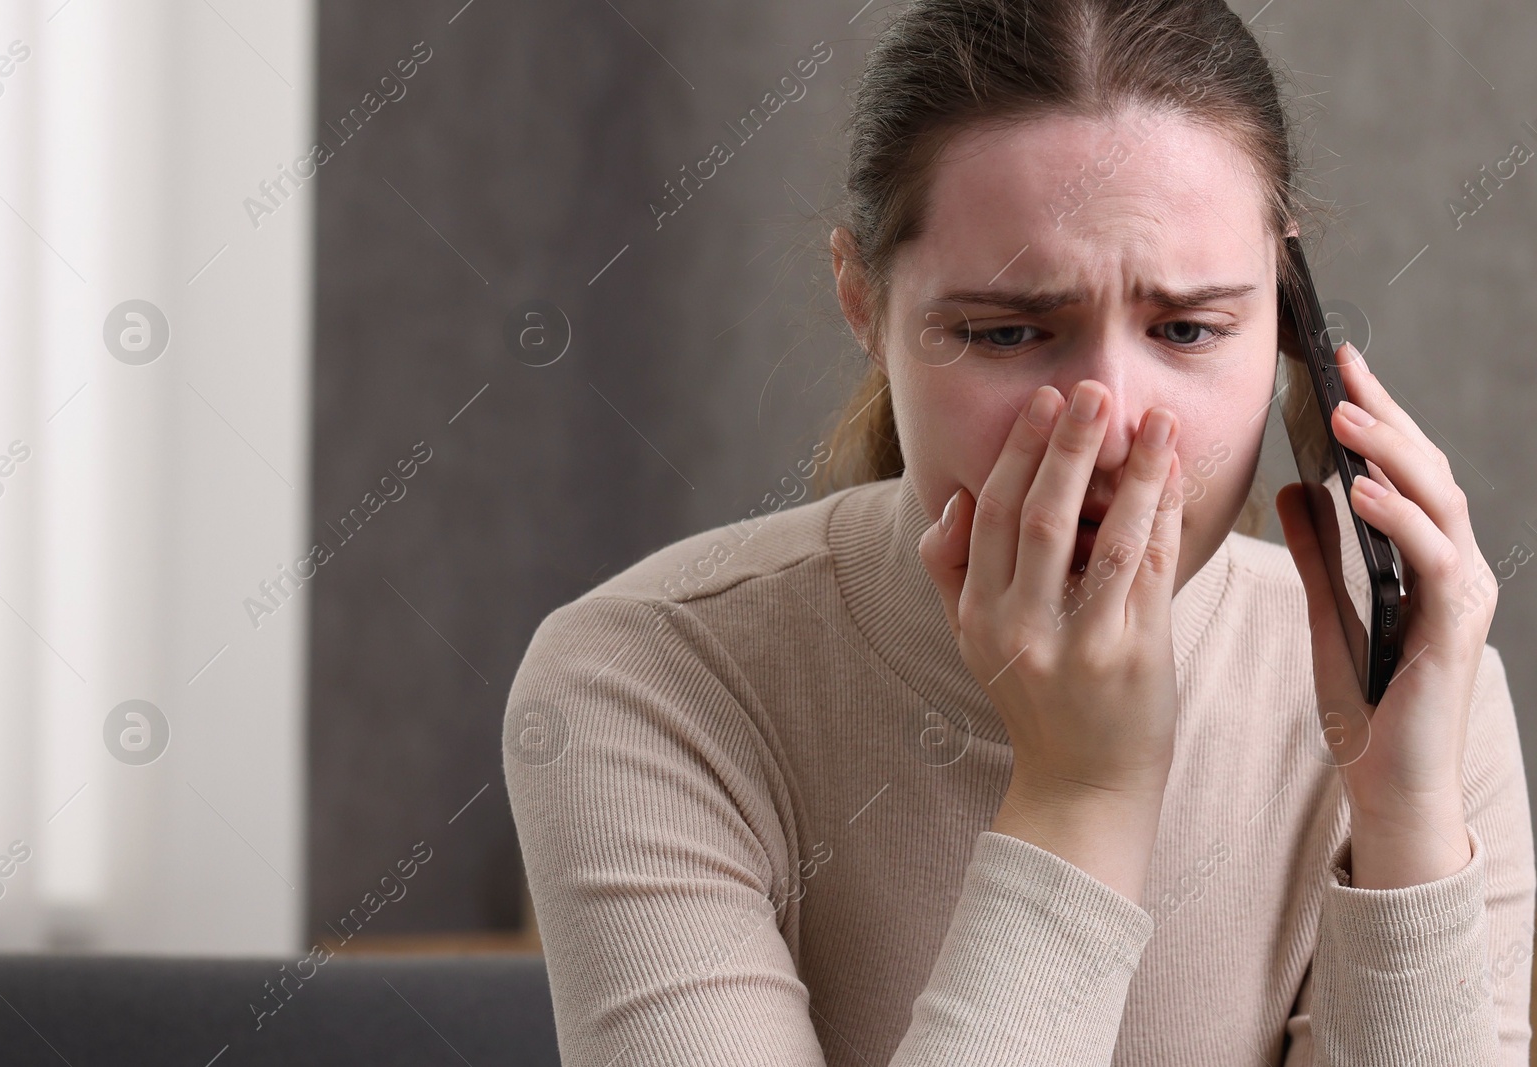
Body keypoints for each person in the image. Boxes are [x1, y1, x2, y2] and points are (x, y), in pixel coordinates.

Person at [503, 0, 1536, 1062]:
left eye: (1186, 327)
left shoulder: (1420, 696)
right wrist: (1081, 794)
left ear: (1286, 314)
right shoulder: (644, 679)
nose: (1109, 422)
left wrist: (1406, 815)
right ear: (863, 301)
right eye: (1005, 331)